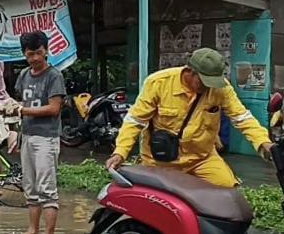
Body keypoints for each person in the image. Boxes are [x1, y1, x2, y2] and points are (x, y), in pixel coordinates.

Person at [105, 47, 272, 187]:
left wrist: (264, 143)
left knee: (227, 191)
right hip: (161, 161)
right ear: (190, 71)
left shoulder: (221, 88)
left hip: (202, 158)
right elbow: (135, 121)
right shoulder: (158, 83)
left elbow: (242, 118)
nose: (208, 87)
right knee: (164, 204)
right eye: (204, 81)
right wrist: (120, 152)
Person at [8, 31, 65, 234]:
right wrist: (14, 125)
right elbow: (19, 102)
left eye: (39, 53)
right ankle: (33, 232)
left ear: (46, 51)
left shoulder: (54, 76)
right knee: (30, 187)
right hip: (28, 135)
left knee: (46, 188)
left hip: (47, 138)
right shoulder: (24, 75)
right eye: (30, 54)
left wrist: (22, 111)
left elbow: (54, 108)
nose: (35, 58)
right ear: (24, 53)